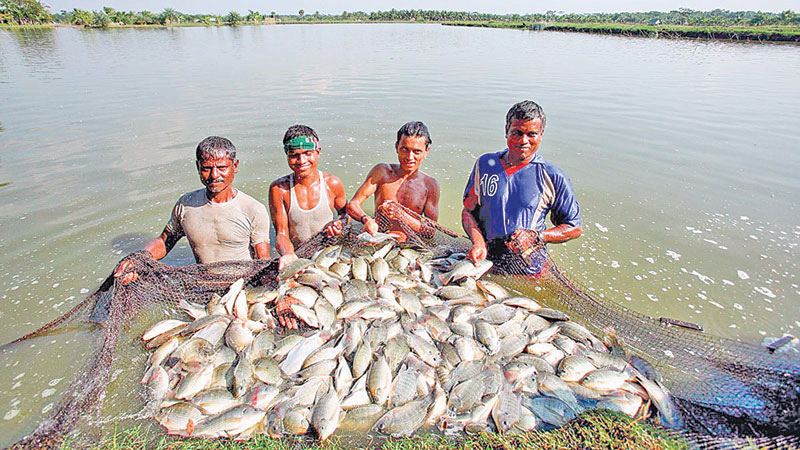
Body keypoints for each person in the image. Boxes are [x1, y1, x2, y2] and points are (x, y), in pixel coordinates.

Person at [114, 136, 270, 285]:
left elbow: (263, 261)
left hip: (242, 284)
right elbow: (164, 242)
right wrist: (141, 258)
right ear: (198, 167)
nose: (214, 175)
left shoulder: (253, 209)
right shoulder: (186, 204)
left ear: (235, 166)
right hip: (203, 284)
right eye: (207, 168)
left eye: (222, 168)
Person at [461, 100, 582, 277]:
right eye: (517, 133)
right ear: (506, 131)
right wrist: (478, 241)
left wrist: (537, 236)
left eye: (531, 134)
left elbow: (574, 227)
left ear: (541, 135)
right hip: (484, 260)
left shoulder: (553, 176)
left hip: (527, 269)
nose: (523, 141)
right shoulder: (485, 164)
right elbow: (468, 211)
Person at [269, 125, 347, 330]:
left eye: (307, 153)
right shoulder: (279, 189)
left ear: (318, 152)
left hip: (329, 254)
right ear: (287, 155)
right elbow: (282, 232)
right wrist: (288, 254)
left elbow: (346, 215)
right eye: (294, 155)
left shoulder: (333, 184)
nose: (302, 161)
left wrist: (339, 225)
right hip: (298, 258)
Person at [346, 121, 440, 239]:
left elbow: (430, 231)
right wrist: (366, 219)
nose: (409, 157)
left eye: (417, 151)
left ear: (427, 151)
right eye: (405, 149)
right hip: (378, 239)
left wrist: (402, 216)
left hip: (408, 246)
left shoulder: (430, 185)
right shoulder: (382, 172)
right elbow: (352, 205)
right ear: (397, 147)